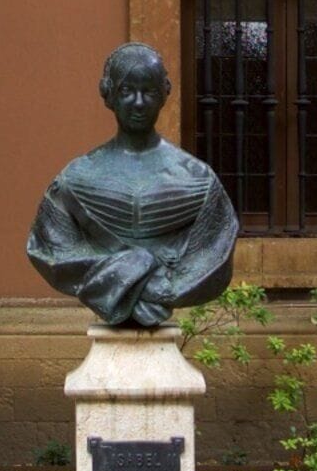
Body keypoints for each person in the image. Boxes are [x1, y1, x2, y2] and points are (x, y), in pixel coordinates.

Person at [26, 43, 240, 331]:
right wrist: (139, 267)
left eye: (148, 91)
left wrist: (140, 283)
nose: (138, 102)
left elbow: (214, 253)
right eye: (127, 91)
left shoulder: (199, 180)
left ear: (164, 94)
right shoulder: (75, 179)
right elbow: (51, 250)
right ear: (109, 95)